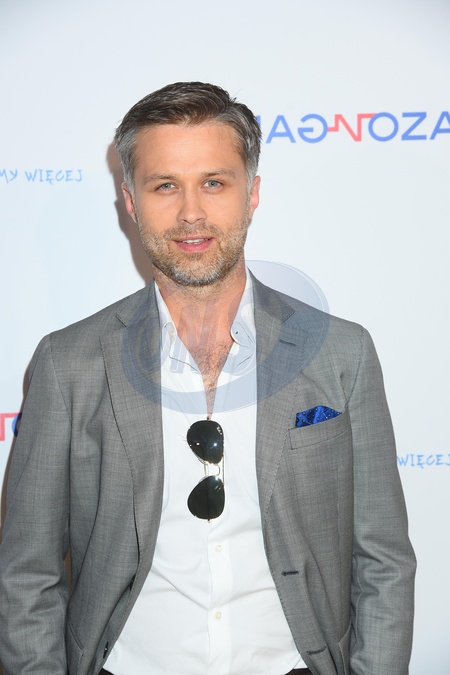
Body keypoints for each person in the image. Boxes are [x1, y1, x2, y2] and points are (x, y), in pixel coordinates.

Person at [0, 82, 415, 675]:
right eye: (165, 185)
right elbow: (26, 573)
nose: (190, 212)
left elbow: (384, 561)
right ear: (130, 201)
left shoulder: (340, 353)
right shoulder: (68, 363)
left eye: (214, 183)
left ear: (253, 193)